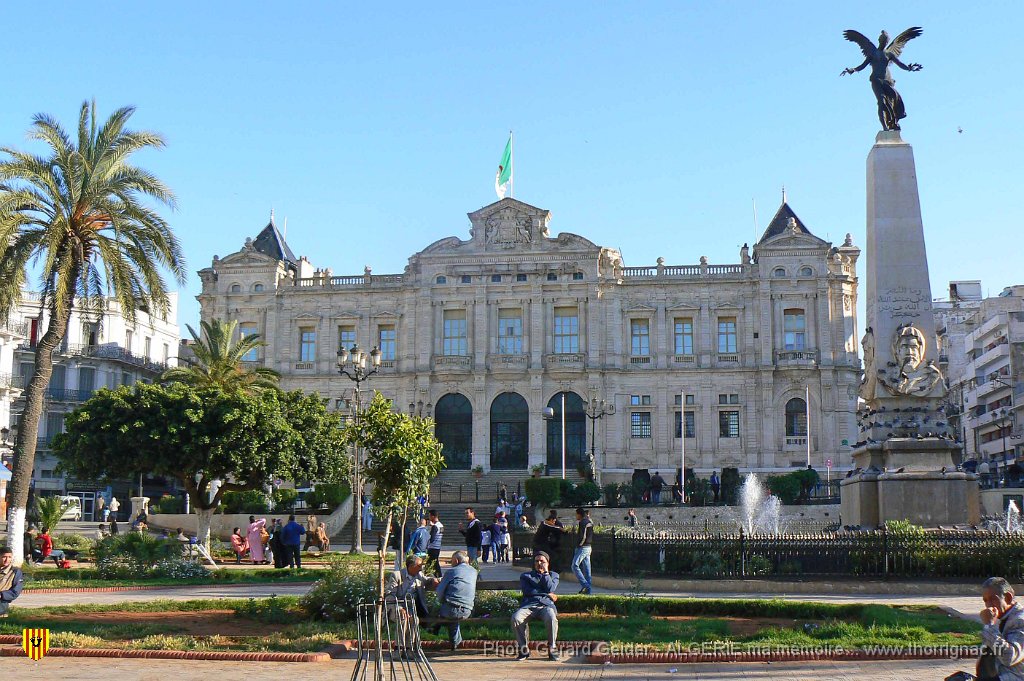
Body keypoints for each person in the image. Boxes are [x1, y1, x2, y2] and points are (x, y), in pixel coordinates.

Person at [947, 576, 1024, 681]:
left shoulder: (1020, 621)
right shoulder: (1000, 617)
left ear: (1008, 598)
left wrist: (989, 626)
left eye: (993, 599)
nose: (988, 605)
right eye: (985, 600)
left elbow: (1009, 657)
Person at [511, 551, 561, 662]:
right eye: (536, 561)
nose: (539, 563)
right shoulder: (526, 576)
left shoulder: (554, 575)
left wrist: (546, 574)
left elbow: (550, 588)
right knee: (516, 618)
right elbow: (528, 591)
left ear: (547, 563)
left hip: (546, 607)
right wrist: (546, 595)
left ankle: (552, 649)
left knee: (552, 618)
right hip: (529, 606)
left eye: (542, 561)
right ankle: (523, 650)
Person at [385, 554, 439, 656]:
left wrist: (434, 580)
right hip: (395, 607)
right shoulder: (397, 575)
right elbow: (389, 595)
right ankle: (398, 649)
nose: (421, 567)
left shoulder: (419, 575)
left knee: (414, 619)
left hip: (411, 608)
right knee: (403, 618)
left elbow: (428, 580)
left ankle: (409, 648)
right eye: (419, 565)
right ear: (410, 566)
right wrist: (399, 608)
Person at [435, 551, 477, 650]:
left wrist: (440, 602)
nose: (451, 563)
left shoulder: (451, 571)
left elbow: (439, 592)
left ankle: (433, 629)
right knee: (453, 617)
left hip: (451, 610)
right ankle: (456, 643)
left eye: (451, 561)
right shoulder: (474, 571)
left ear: (456, 560)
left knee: (443, 611)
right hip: (468, 610)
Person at [571, 507, 594, 595]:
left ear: (579, 514)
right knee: (587, 570)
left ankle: (586, 586)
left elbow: (583, 535)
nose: (576, 516)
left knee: (574, 565)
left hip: (583, 547)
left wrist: (580, 544)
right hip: (588, 547)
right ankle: (588, 591)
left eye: (576, 514)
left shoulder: (583, 522)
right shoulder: (589, 522)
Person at [0, 546, 25, 617]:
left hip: (1, 607)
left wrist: (1, 595)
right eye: (4, 557)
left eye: (9, 557)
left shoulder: (15, 572)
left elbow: (15, 591)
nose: (7, 560)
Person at [426, 509, 444, 577]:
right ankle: (436, 575)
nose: (429, 518)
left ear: (433, 516)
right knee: (433, 563)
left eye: (430, 516)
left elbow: (432, 539)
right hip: (438, 547)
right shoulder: (441, 525)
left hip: (432, 547)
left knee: (433, 563)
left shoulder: (435, 526)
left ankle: (438, 576)